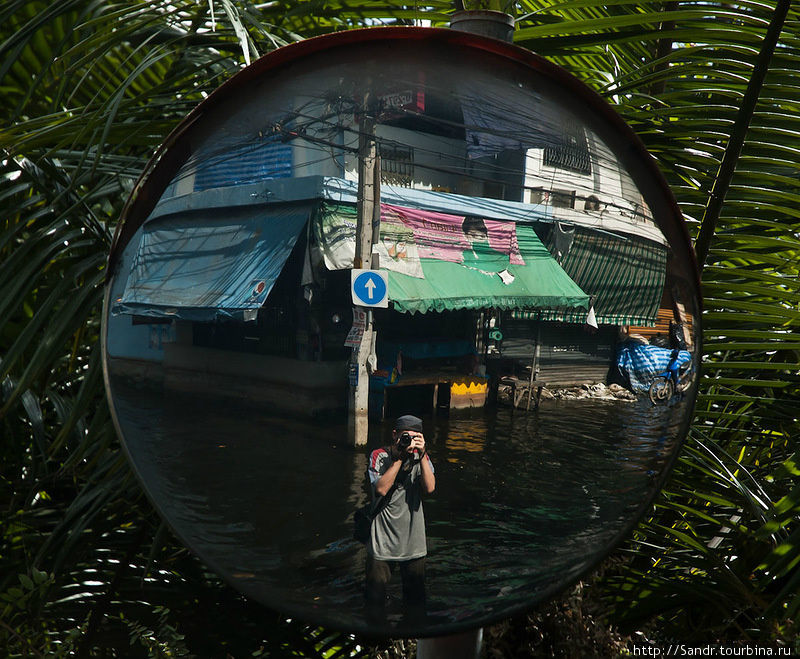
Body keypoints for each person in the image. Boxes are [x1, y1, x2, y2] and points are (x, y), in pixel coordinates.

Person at [365, 414, 435, 610]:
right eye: (406, 437)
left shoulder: (422, 458)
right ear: (394, 435)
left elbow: (429, 488)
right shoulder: (379, 455)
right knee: (374, 600)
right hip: (382, 542)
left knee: (415, 601)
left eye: (415, 437)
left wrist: (421, 455)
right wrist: (398, 459)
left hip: (414, 543)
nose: (409, 442)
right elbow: (380, 489)